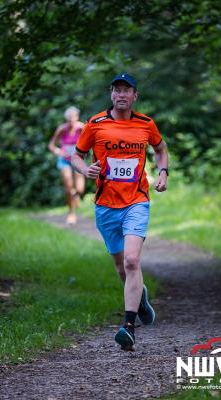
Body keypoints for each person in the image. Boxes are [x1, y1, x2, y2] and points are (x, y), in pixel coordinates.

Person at [71, 73, 168, 351]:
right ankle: (141, 297)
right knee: (120, 267)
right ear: (111, 94)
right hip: (105, 205)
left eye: (127, 90)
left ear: (135, 96)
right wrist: (84, 169)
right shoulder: (96, 123)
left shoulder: (146, 124)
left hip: (137, 201)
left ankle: (128, 326)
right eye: (117, 90)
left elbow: (161, 149)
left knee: (132, 261)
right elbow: (76, 155)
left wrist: (163, 172)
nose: (121, 95)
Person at [48, 106, 85, 225]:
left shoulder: (82, 128)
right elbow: (51, 145)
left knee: (80, 189)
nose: (71, 122)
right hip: (64, 160)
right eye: (68, 119)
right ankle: (71, 213)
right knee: (69, 188)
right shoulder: (62, 129)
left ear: (77, 117)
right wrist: (58, 151)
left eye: (73, 119)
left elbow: (91, 141)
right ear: (66, 119)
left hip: (78, 160)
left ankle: (76, 196)